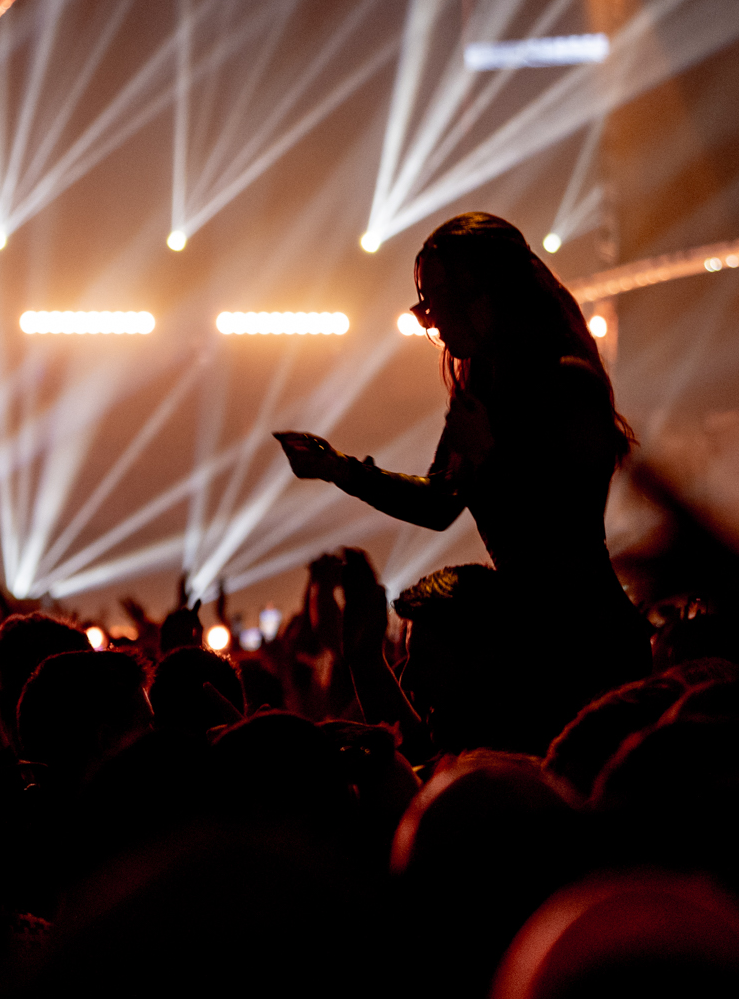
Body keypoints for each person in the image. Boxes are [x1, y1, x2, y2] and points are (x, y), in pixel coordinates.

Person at [275, 212, 647, 737]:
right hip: (527, 635)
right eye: (425, 308)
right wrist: (339, 468)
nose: (434, 323)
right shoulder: (480, 394)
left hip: (584, 635)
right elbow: (440, 503)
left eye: (439, 304)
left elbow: (561, 521)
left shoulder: (568, 382)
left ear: (491, 291)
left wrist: (490, 455)